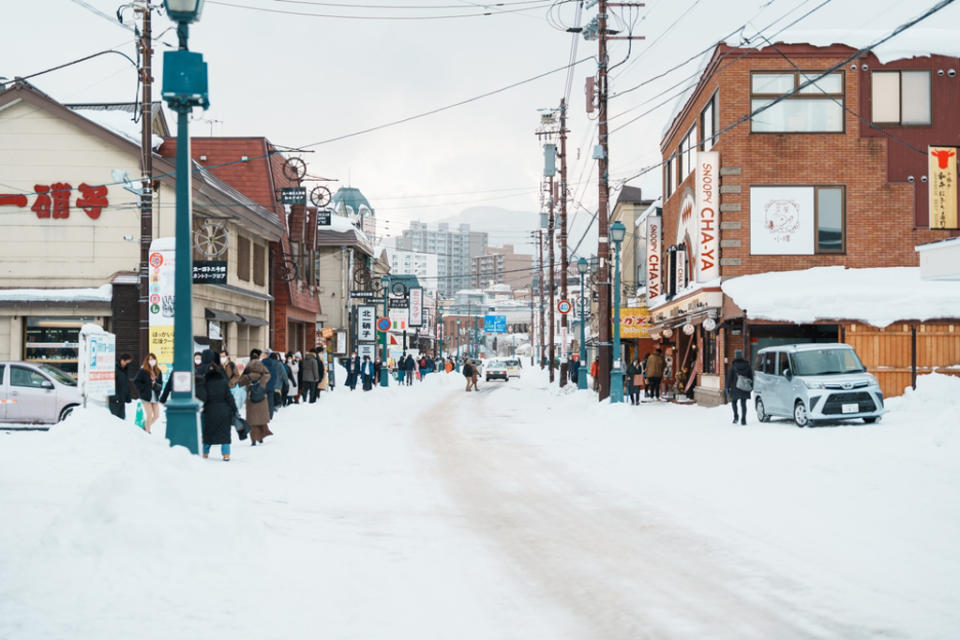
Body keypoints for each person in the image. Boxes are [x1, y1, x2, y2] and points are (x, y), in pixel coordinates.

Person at [197, 349, 237, 461]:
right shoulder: (223, 381)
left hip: (209, 410)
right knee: (224, 433)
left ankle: (205, 452)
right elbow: (229, 397)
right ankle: (226, 454)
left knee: (208, 432)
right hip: (224, 410)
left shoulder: (203, 379)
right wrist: (234, 409)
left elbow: (202, 395)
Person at [238, 351, 272, 445]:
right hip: (262, 397)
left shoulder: (248, 373)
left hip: (251, 398)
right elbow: (268, 374)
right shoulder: (263, 374)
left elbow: (240, 382)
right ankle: (261, 437)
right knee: (261, 418)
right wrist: (261, 383)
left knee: (252, 420)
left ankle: (253, 439)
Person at [133, 353, 164, 433]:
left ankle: (145, 427)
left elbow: (161, 383)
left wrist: (157, 387)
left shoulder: (158, 371)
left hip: (155, 395)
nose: (151, 361)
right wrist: (144, 388)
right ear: (147, 361)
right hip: (145, 395)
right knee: (149, 414)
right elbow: (136, 382)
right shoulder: (143, 370)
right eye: (150, 359)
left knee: (156, 415)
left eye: (153, 359)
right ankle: (148, 431)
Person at [726, 349, 754, 425]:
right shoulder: (747, 365)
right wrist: (751, 387)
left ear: (735, 356)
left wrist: (727, 387)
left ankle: (736, 417)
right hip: (744, 388)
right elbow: (751, 377)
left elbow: (729, 378)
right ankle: (743, 420)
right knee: (743, 404)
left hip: (735, 388)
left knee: (734, 402)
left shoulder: (733, 366)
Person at [109, 353, 133, 419]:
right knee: (114, 418)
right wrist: (115, 397)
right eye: (125, 362)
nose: (126, 364)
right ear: (122, 360)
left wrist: (128, 396)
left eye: (128, 363)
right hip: (115, 399)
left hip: (122, 398)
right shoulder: (115, 369)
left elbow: (126, 384)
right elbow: (112, 384)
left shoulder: (125, 370)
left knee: (122, 418)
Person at [262, 351, 286, 418]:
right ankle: (270, 415)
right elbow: (275, 377)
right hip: (272, 387)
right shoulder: (275, 366)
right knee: (271, 401)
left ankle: (264, 414)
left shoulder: (262, 366)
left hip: (263, 386)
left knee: (263, 401)